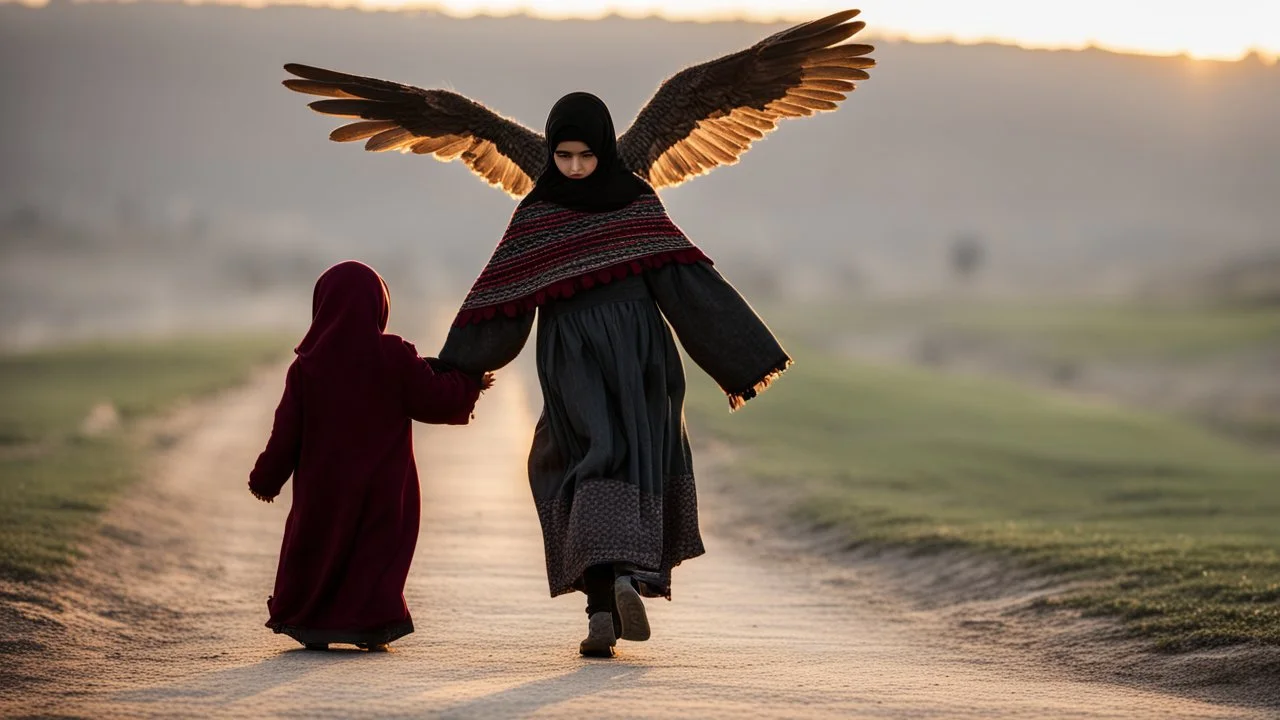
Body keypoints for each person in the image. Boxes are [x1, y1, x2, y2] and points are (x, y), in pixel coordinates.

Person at [440, 93, 791, 658]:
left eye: (584, 155)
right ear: (551, 151)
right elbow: (503, 294)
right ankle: (623, 580)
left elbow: (680, 277)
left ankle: (602, 607)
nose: (575, 167)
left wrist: (456, 368)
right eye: (564, 156)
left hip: (629, 359)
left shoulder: (622, 200)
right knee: (608, 461)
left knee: (586, 463)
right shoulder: (551, 210)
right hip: (600, 358)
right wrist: (456, 368)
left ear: (601, 147)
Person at [249, 260, 492, 651]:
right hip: (382, 488)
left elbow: (285, 434)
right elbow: (433, 396)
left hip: (321, 490)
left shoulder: (306, 367)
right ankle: (369, 624)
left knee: (316, 549)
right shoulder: (393, 355)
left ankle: (313, 622)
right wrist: (468, 382)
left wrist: (265, 478)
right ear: (378, 306)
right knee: (374, 553)